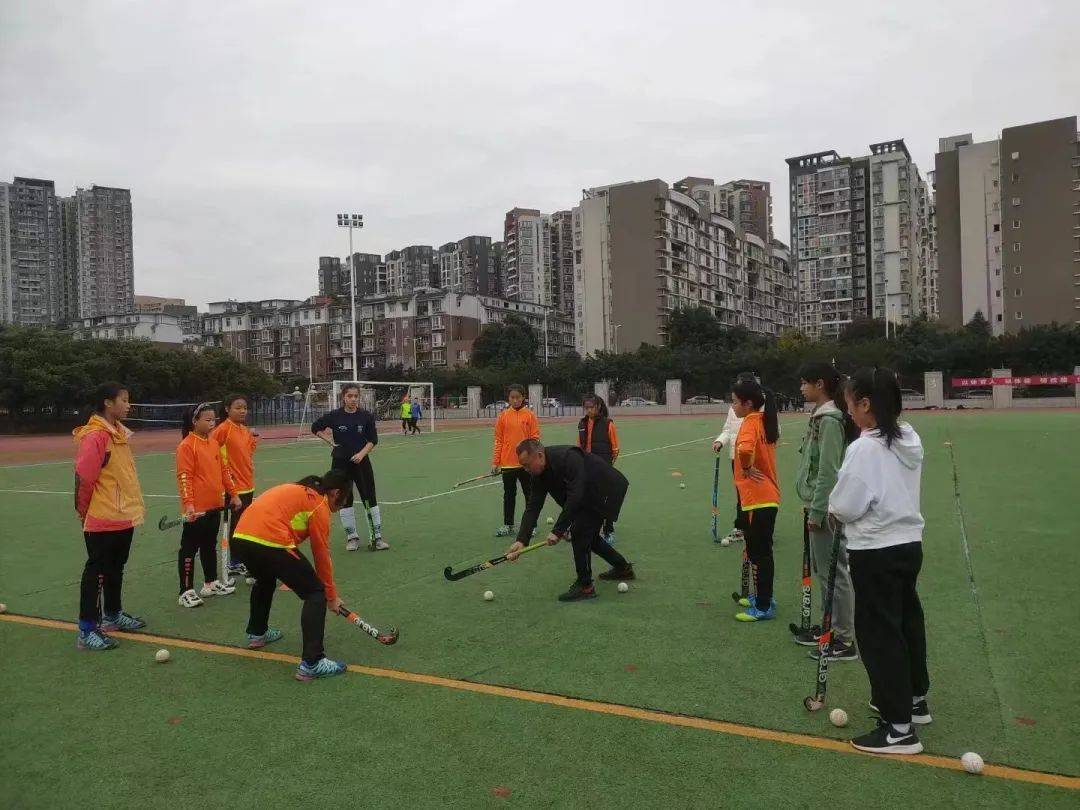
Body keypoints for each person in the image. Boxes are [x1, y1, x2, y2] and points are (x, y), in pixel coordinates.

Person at [830, 367, 929, 755]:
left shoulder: (865, 448)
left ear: (866, 405)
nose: (849, 411)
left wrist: (835, 510)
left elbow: (847, 504)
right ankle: (915, 701)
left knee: (879, 634)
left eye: (851, 404)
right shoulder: (909, 437)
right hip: (908, 545)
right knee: (906, 622)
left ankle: (899, 728)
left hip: (876, 549)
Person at [231, 471, 350, 681]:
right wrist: (331, 596)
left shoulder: (299, 491)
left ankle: (257, 633)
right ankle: (313, 662)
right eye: (342, 502)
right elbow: (321, 554)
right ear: (336, 493)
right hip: (269, 539)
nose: (338, 508)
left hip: (241, 538)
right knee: (315, 592)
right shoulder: (318, 504)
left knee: (266, 577)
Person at [505, 439, 634, 601]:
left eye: (527, 465)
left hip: (605, 489)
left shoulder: (567, 457)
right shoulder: (537, 474)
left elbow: (576, 495)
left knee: (580, 531)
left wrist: (558, 530)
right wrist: (522, 540)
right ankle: (622, 568)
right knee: (589, 536)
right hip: (588, 493)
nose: (526, 469)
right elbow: (533, 506)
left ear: (539, 456)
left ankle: (585, 586)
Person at [793, 363, 861, 660]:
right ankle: (828, 627)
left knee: (835, 572)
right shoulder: (821, 417)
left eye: (805, 383)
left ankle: (844, 639)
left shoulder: (830, 421)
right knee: (825, 572)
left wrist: (818, 510)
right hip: (817, 503)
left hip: (827, 507)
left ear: (819, 384)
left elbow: (829, 471)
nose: (801, 388)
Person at [72, 382, 147, 650]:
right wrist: (84, 513)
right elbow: (84, 478)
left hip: (123, 515)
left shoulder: (117, 433)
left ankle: (113, 615)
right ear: (108, 403)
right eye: (124, 400)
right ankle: (87, 629)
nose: (129, 405)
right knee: (97, 571)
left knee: (116, 568)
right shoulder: (96, 436)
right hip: (102, 516)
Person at [176, 403, 243, 607]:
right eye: (207, 419)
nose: (212, 423)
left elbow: (224, 471)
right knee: (189, 548)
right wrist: (189, 505)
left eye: (213, 419)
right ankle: (185, 590)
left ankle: (210, 582)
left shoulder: (213, 443)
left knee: (208, 545)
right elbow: (184, 477)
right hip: (196, 510)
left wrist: (233, 494)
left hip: (215, 506)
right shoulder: (187, 445)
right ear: (194, 421)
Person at [311, 383, 387, 551]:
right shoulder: (335, 416)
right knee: (345, 498)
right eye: (349, 396)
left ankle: (377, 537)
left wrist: (361, 454)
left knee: (369, 496)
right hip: (340, 463)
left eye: (355, 396)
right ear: (343, 397)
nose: (353, 399)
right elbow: (315, 427)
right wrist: (330, 442)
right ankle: (352, 537)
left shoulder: (365, 416)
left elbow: (373, 440)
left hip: (361, 463)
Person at [730, 379, 781, 623]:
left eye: (734, 402)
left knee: (759, 553)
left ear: (747, 403)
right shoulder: (764, 420)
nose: (733, 407)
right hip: (767, 497)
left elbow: (744, 449)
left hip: (756, 498)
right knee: (761, 551)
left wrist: (747, 467)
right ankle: (764, 597)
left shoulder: (750, 422)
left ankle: (762, 606)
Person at [212, 394, 259, 581]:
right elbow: (211, 453)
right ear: (227, 409)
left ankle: (236, 561)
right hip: (232, 487)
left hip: (247, 484)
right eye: (238, 407)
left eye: (245, 408)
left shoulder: (244, 430)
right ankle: (233, 562)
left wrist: (254, 440)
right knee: (235, 526)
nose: (242, 411)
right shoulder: (222, 430)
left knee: (243, 525)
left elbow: (247, 452)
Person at [712, 372, 758, 544]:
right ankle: (741, 527)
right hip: (735, 457)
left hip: (753, 458)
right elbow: (727, 430)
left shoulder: (760, 409)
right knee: (741, 493)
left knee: (754, 494)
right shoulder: (733, 409)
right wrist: (720, 442)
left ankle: (755, 526)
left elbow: (774, 432)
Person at [491, 384, 540, 537]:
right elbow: (498, 440)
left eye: (518, 397)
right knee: (509, 495)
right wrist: (496, 462)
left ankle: (531, 526)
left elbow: (535, 438)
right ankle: (508, 524)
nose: (515, 400)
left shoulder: (530, 415)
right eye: (512, 397)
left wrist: (532, 459)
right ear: (508, 399)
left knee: (529, 495)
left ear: (523, 397)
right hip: (507, 464)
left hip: (526, 465)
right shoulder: (503, 416)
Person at [577, 393, 620, 543]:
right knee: (587, 498)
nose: (589, 410)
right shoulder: (582, 424)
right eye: (586, 408)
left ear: (598, 407)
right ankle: (590, 528)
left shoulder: (608, 424)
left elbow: (615, 449)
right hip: (587, 467)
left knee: (605, 500)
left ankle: (608, 530)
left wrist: (607, 465)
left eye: (591, 407)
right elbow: (580, 446)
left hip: (603, 467)